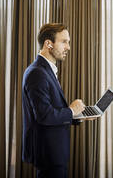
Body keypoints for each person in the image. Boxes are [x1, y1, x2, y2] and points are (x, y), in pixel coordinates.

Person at [22, 23, 86, 178]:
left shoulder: (45, 69)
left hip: (54, 151)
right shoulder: (37, 73)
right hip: (49, 153)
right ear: (48, 44)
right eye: (64, 41)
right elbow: (44, 115)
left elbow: (52, 109)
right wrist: (71, 111)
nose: (68, 47)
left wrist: (77, 115)